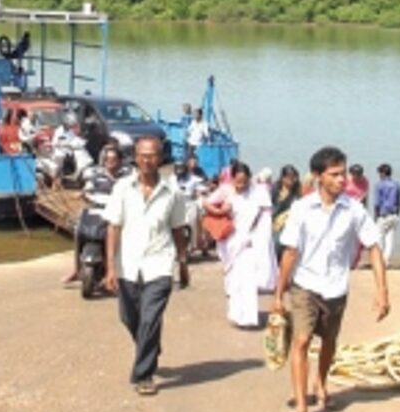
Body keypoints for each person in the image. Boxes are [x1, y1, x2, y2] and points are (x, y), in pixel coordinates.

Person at [274, 146, 389, 412]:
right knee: (301, 340)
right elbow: (289, 252)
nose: (342, 180)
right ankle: (301, 406)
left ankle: (321, 382)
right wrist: (279, 295)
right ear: (317, 177)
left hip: (336, 288)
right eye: (335, 174)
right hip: (305, 285)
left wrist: (382, 292)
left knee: (328, 342)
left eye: (343, 174)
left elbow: (373, 247)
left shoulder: (353, 210)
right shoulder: (301, 209)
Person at [103, 137, 189, 396]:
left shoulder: (172, 193)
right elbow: (113, 227)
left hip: (159, 263)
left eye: (152, 155)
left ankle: (144, 374)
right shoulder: (122, 188)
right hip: (127, 264)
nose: (146, 160)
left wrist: (183, 263)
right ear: (135, 158)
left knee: (150, 318)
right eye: (142, 155)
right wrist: (109, 267)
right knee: (129, 317)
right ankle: (149, 344)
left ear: (160, 158)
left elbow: (177, 230)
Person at [204, 161, 276, 328]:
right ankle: (236, 313)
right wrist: (220, 211)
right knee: (234, 279)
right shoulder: (226, 191)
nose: (241, 185)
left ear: (249, 179)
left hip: (250, 242)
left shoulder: (258, 192)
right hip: (231, 241)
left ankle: (248, 316)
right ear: (232, 179)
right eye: (237, 181)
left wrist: (258, 240)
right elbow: (206, 203)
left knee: (248, 280)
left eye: (244, 181)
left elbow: (265, 218)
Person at [62, 145, 129, 284]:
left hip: (117, 213)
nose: (110, 163)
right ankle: (76, 269)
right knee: (78, 231)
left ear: (120, 161)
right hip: (97, 209)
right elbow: (88, 189)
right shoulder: (96, 175)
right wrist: (82, 194)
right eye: (107, 160)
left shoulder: (126, 178)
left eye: (113, 159)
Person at [374, 163, 400, 267]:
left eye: (379, 173)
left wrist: (376, 216)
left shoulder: (379, 185)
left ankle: (379, 260)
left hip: (383, 214)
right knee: (390, 239)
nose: (378, 175)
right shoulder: (397, 184)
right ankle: (386, 261)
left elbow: (377, 203)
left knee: (379, 238)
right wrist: (397, 214)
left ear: (382, 173)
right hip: (394, 214)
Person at [271, 165, 301, 256]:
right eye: (289, 178)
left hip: (288, 227)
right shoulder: (274, 191)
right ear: (283, 178)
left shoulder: (296, 194)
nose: (291, 181)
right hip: (273, 227)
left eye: (294, 178)